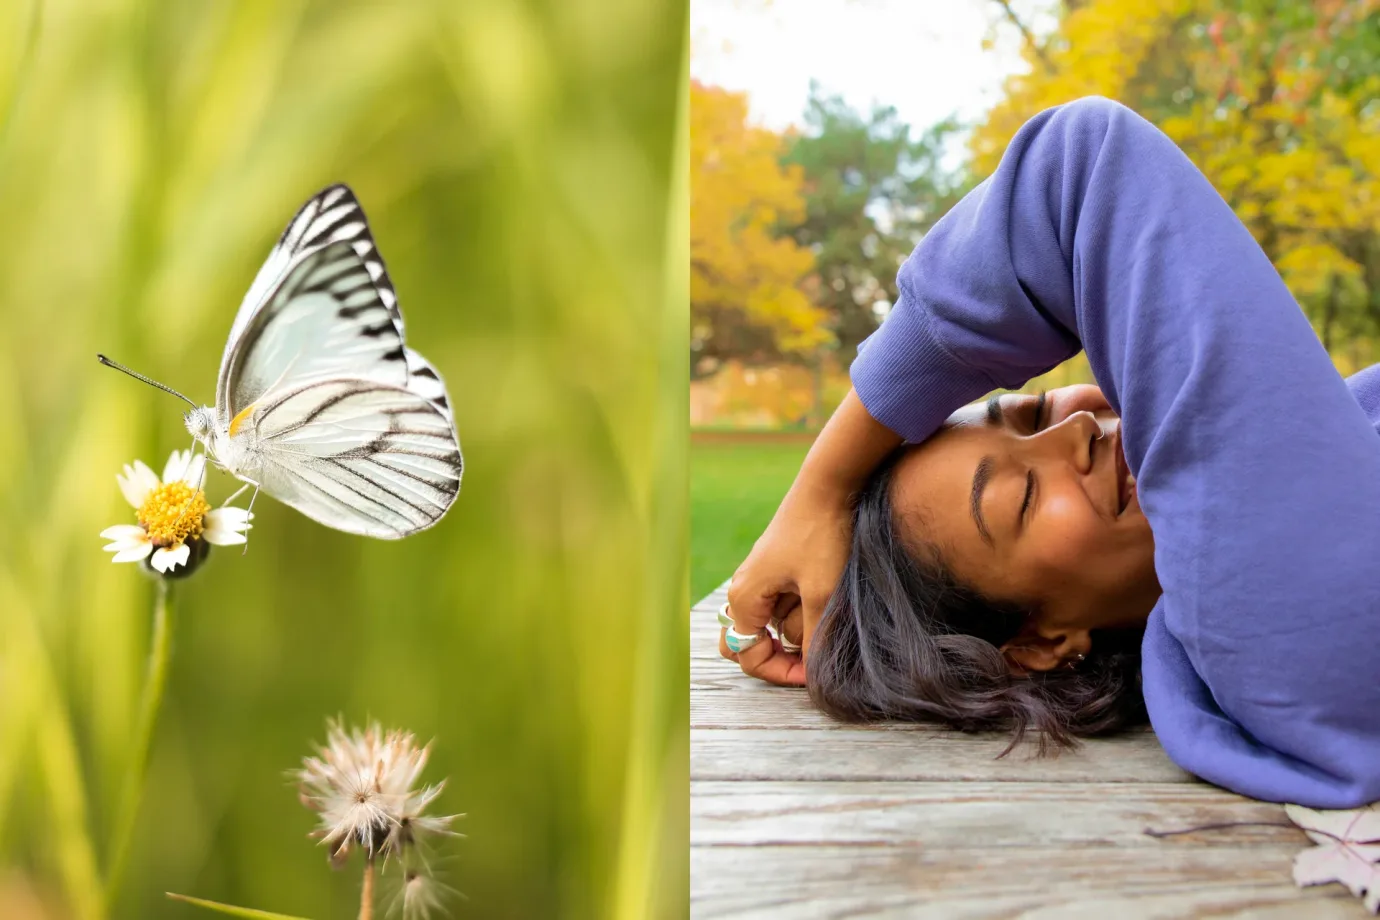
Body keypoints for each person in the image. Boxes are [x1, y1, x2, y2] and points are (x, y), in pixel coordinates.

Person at [717, 97, 1380, 809]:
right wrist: (822, 484)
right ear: (1041, 643)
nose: (1075, 434)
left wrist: (826, 493)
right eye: (1022, 497)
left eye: (1033, 410)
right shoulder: (1278, 629)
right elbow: (1081, 166)